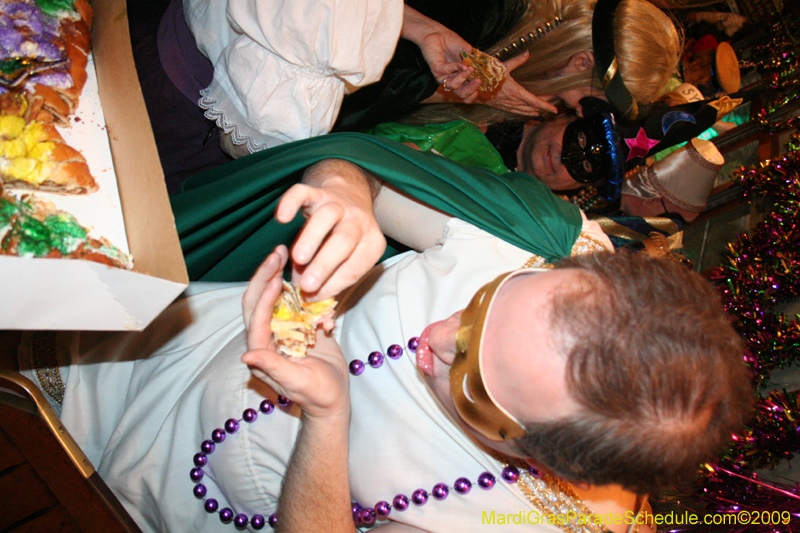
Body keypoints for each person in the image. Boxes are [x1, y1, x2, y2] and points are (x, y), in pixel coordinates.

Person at [18, 157, 752, 533]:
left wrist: (327, 424)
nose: (432, 338)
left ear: (541, 456)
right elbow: (363, 168)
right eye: (477, 305)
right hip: (126, 347)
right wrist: (346, 193)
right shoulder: (526, 242)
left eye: (470, 380)